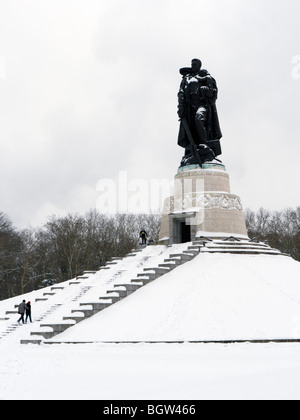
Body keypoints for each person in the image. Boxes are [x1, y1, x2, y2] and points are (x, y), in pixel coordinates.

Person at [177, 58, 222, 166]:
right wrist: (181, 107)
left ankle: (204, 144)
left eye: (195, 63)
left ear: (199, 65)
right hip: (189, 107)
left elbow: (213, 93)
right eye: (192, 63)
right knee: (191, 126)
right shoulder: (187, 78)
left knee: (199, 118)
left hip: (202, 105)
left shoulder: (205, 76)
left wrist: (205, 89)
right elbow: (181, 92)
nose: (193, 65)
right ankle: (193, 149)